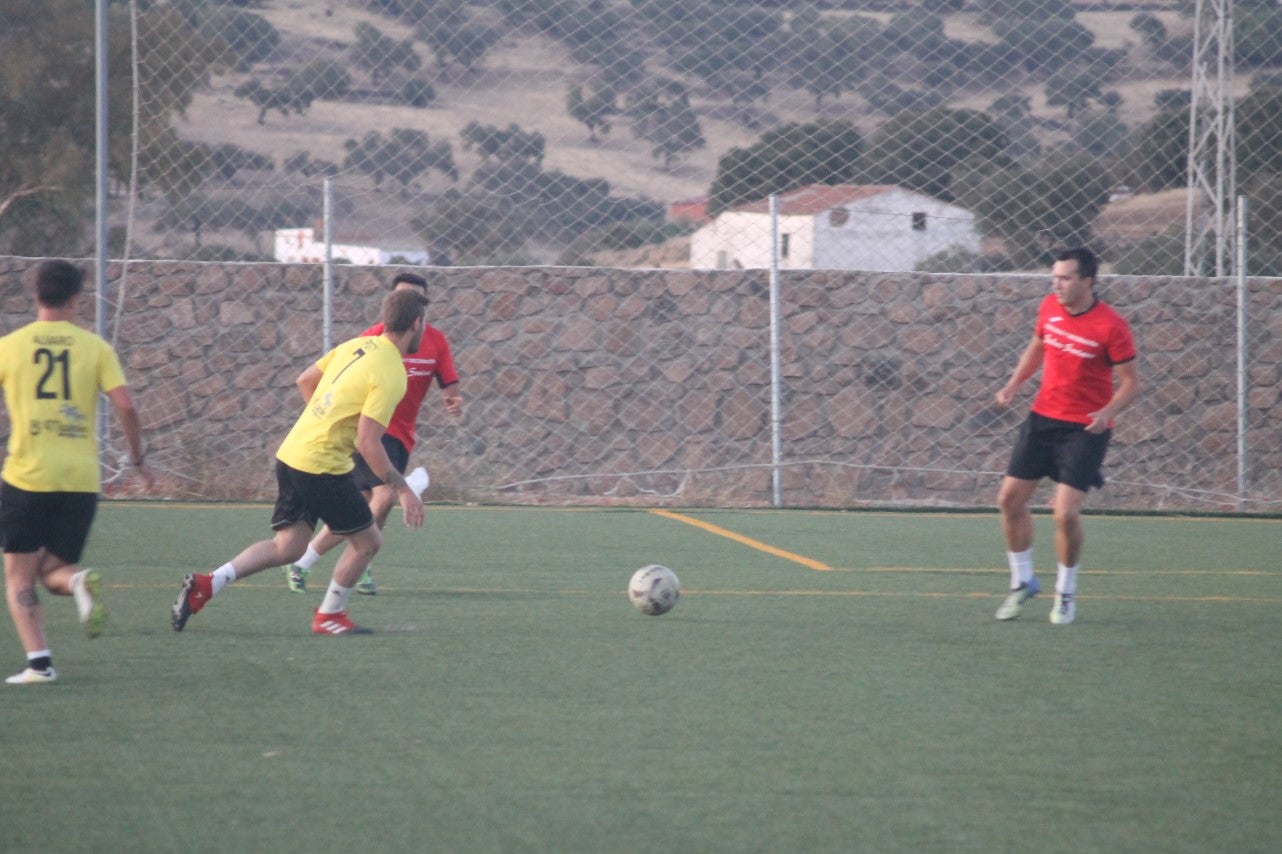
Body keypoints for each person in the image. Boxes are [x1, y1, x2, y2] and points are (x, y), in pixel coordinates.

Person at [171, 288, 429, 636]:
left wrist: (325, 422)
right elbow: (369, 443)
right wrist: (404, 490)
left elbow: (305, 379)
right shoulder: (392, 372)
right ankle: (330, 615)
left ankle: (207, 584)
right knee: (368, 542)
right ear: (416, 323)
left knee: (288, 547)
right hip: (321, 466)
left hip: (293, 453)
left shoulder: (357, 344)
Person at [0, 259, 155, 684]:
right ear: (75, 298)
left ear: (34, 294)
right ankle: (79, 582)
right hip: (80, 481)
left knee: (20, 576)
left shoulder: (10, 346)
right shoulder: (95, 348)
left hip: (26, 476)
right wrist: (138, 459)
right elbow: (126, 404)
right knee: (54, 573)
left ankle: (40, 664)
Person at [284, 272, 461, 595]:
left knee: (362, 505)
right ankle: (355, 566)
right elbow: (315, 380)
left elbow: (449, 381)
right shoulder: (372, 341)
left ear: (421, 315)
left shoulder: (434, 341)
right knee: (385, 496)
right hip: (374, 434)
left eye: (416, 300)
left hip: (402, 436)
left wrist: (452, 398)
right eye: (402, 297)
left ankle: (307, 562)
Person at [993, 247, 1139, 625]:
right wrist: (1013, 384)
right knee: (1009, 500)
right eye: (1054, 277)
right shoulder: (1048, 308)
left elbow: (1129, 382)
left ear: (1087, 281)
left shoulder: (1111, 326)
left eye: (1065, 278)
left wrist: (1107, 412)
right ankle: (1022, 581)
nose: (1056, 284)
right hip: (1042, 420)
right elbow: (1039, 345)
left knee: (1065, 515)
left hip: (1085, 428)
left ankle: (1066, 593)